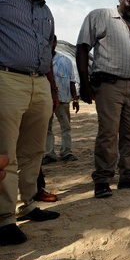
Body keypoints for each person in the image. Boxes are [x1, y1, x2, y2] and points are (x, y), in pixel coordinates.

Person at [0, 0, 62, 245]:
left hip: (39, 84)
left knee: (34, 150)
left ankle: (29, 205)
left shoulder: (45, 10)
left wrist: (51, 87)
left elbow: (48, 51)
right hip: (7, 79)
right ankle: (4, 218)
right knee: (5, 153)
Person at [77, 0, 130, 198]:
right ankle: (103, 179)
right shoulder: (100, 16)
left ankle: (128, 176)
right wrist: (84, 83)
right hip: (109, 86)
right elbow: (83, 48)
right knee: (109, 134)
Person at [43, 36, 79, 164]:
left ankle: (66, 152)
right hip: (45, 99)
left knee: (66, 127)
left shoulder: (65, 61)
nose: (50, 44)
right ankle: (49, 153)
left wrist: (75, 99)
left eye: (52, 42)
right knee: (46, 128)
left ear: (55, 43)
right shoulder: (40, 60)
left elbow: (71, 81)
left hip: (63, 99)